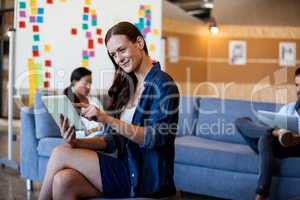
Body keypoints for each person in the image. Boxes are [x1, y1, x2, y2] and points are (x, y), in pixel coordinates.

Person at [38, 21, 179, 200]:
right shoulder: (130, 86)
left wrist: (106, 119)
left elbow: (156, 137)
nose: (118, 59)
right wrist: (77, 143)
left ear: (140, 43)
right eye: (113, 54)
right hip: (125, 165)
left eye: (122, 50)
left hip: (145, 176)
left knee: (59, 153)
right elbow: (116, 142)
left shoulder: (163, 84)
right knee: (63, 181)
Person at [235, 68, 300, 200]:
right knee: (241, 122)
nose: (299, 90)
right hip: (275, 146)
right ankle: (278, 133)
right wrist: (277, 132)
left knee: (266, 138)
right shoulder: (288, 108)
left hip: (296, 147)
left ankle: (261, 195)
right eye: (297, 85)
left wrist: (294, 137)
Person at [63, 67, 104, 138]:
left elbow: (105, 120)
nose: (89, 86)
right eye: (86, 83)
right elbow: (70, 132)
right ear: (74, 82)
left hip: (104, 135)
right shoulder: (67, 102)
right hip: (87, 138)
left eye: (90, 83)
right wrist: (94, 130)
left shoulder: (94, 100)